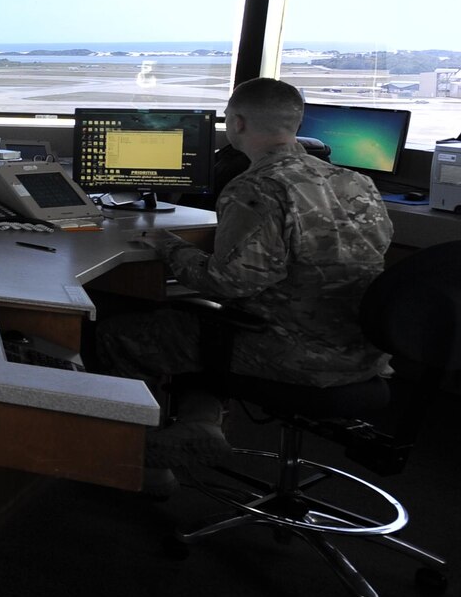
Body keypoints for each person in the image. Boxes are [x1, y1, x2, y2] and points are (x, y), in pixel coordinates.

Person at [92, 77, 393, 474]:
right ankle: (200, 426)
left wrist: (169, 246)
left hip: (289, 354)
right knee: (194, 324)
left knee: (119, 337)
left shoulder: (256, 188)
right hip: (362, 350)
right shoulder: (356, 182)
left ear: (236, 124)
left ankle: (138, 469)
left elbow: (229, 282)